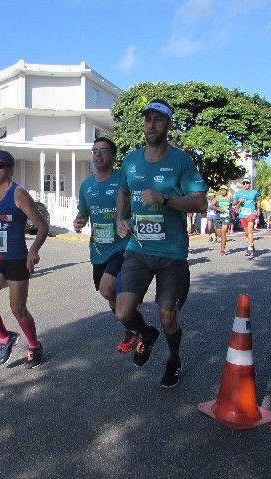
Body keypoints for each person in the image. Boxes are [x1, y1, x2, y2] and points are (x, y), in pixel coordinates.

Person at [114, 99, 208, 388]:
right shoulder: (131, 160)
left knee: (168, 316)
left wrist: (165, 199)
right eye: (148, 119)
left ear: (168, 124)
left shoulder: (181, 161)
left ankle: (174, 359)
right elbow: (124, 192)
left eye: (158, 119)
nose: (151, 124)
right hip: (138, 249)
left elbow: (201, 202)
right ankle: (147, 333)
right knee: (124, 311)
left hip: (171, 252)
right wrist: (121, 218)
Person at [0, 150, 49, 369]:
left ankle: (34, 346)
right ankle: (5, 338)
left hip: (17, 260)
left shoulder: (19, 194)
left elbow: (43, 226)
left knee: (18, 309)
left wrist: (34, 250)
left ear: (9, 169)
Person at [74, 137, 138, 353]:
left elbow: (137, 204)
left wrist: (130, 220)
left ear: (113, 155)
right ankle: (132, 326)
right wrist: (80, 220)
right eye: (94, 151)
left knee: (107, 287)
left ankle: (133, 322)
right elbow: (83, 212)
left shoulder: (123, 178)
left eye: (103, 151)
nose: (98, 155)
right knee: (109, 296)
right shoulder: (86, 185)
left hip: (122, 245)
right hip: (99, 249)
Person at [233, 178, 260, 258]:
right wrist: (238, 200)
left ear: (249, 184)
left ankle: (249, 249)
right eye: (244, 183)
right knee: (247, 232)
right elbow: (234, 203)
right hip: (242, 214)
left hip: (251, 213)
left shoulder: (254, 192)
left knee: (250, 229)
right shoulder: (239, 193)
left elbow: (258, 200)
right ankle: (251, 244)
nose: (245, 185)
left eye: (247, 183)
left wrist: (258, 209)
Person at [214, 186, 232, 256]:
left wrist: (237, 206)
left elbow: (233, 204)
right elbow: (211, 206)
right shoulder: (217, 198)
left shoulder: (229, 197)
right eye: (221, 190)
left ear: (227, 191)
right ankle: (223, 239)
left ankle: (222, 250)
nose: (223, 191)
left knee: (223, 232)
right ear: (220, 191)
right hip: (218, 217)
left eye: (224, 190)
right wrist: (218, 209)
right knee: (219, 234)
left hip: (226, 217)